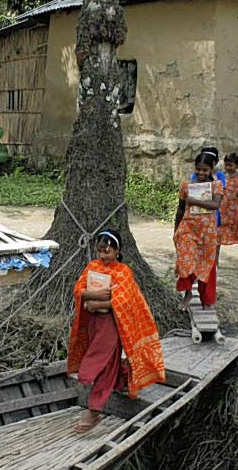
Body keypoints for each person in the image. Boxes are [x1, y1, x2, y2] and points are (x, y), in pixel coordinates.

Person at [68, 230, 165, 433]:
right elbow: (78, 290)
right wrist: (92, 295)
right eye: (100, 251)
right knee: (109, 363)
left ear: (117, 250)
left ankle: (93, 409)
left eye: (108, 251)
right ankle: (120, 382)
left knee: (101, 360)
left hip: (113, 324)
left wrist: (96, 303)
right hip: (94, 323)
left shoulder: (123, 271)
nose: (103, 256)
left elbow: (123, 300)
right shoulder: (92, 266)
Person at [174, 152, 224, 310]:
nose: (201, 173)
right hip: (188, 228)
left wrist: (194, 200)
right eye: (198, 170)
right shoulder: (186, 185)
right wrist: (176, 229)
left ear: (211, 169)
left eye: (205, 170)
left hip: (207, 232)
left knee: (207, 265)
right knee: (185, 260)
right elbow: (181, 209)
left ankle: (206, 299)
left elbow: (215, 205)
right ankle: (188, 293)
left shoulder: (216, 186)